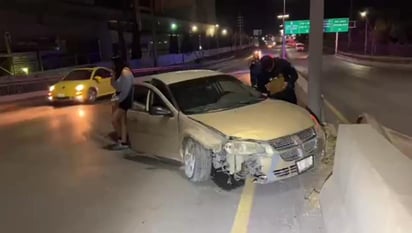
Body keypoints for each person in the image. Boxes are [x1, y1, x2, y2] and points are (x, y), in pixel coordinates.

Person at [110, 56, 134, 150]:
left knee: (114, 119)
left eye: (113, 64)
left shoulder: (125, 72)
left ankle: (121, 139)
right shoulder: (121, 73)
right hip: (123, 99)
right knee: (123, 122)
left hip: (126, 100)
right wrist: (113, 77)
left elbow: (125, 89)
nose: (111, 66)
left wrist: (118, 100)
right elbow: (116, 87)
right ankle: (123, 141)